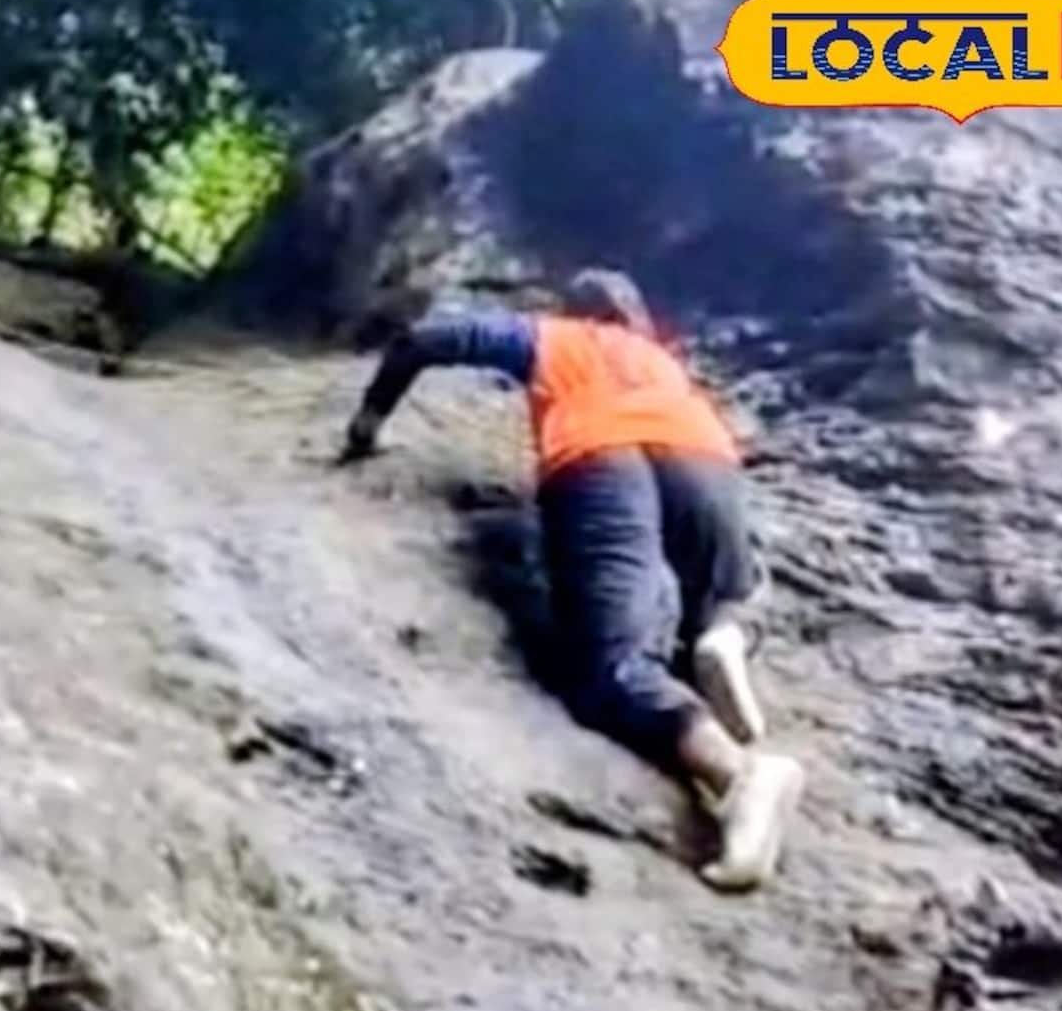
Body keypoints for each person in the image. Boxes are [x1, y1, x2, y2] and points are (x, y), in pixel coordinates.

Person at [340, 270, 804, 892]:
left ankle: (736, 776)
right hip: (703, 457)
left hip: (600, 456)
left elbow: (424, 340)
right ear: (635, 318)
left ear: (573, 310)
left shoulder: (554, 337)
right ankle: (724, 633)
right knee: (738, 580)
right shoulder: (662, 361)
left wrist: (367, 426)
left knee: (611, 669)